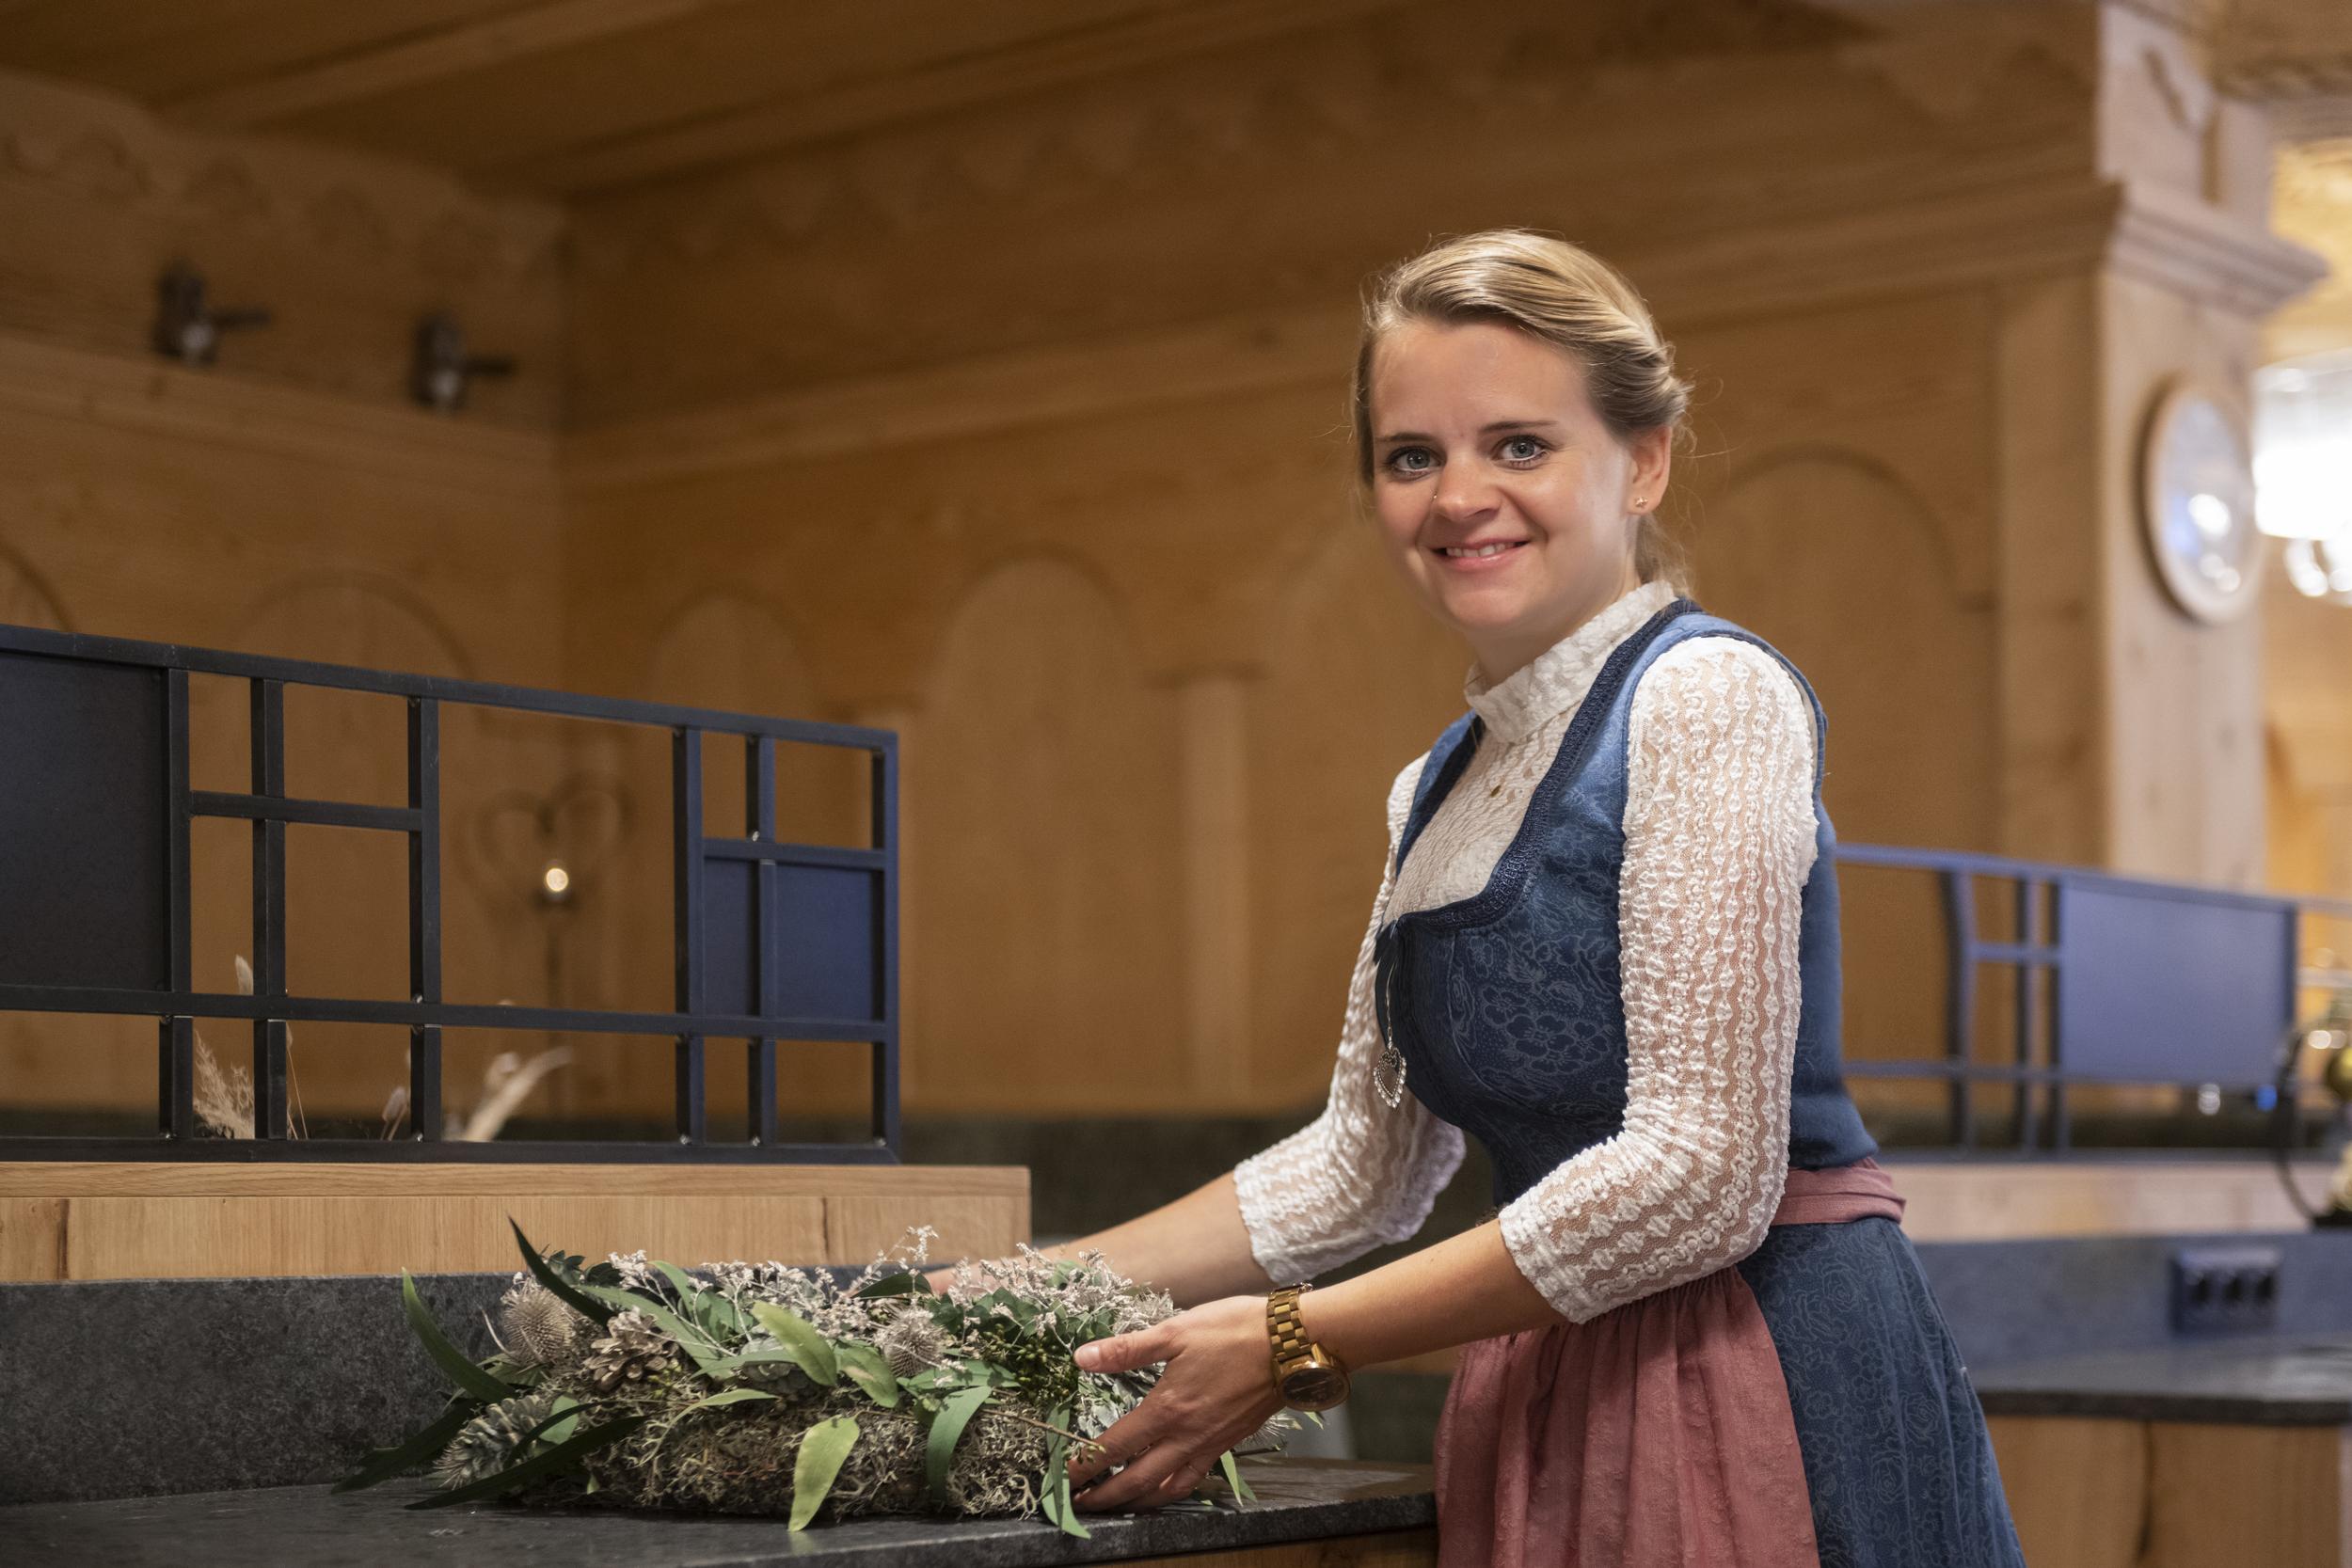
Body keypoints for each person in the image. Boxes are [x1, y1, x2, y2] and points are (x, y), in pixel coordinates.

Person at [999, 230, 2026, 1566]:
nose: (1458, 496)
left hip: (1753, 1367)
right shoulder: (1432, 783)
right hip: (1552, 1374)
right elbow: (1362, 1172)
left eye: (1520, 445)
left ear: (1644, 462)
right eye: (1409, 457)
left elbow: (1700, 1179)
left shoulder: (1709, 694)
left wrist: (1298, 1338)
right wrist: (1014, 1287)